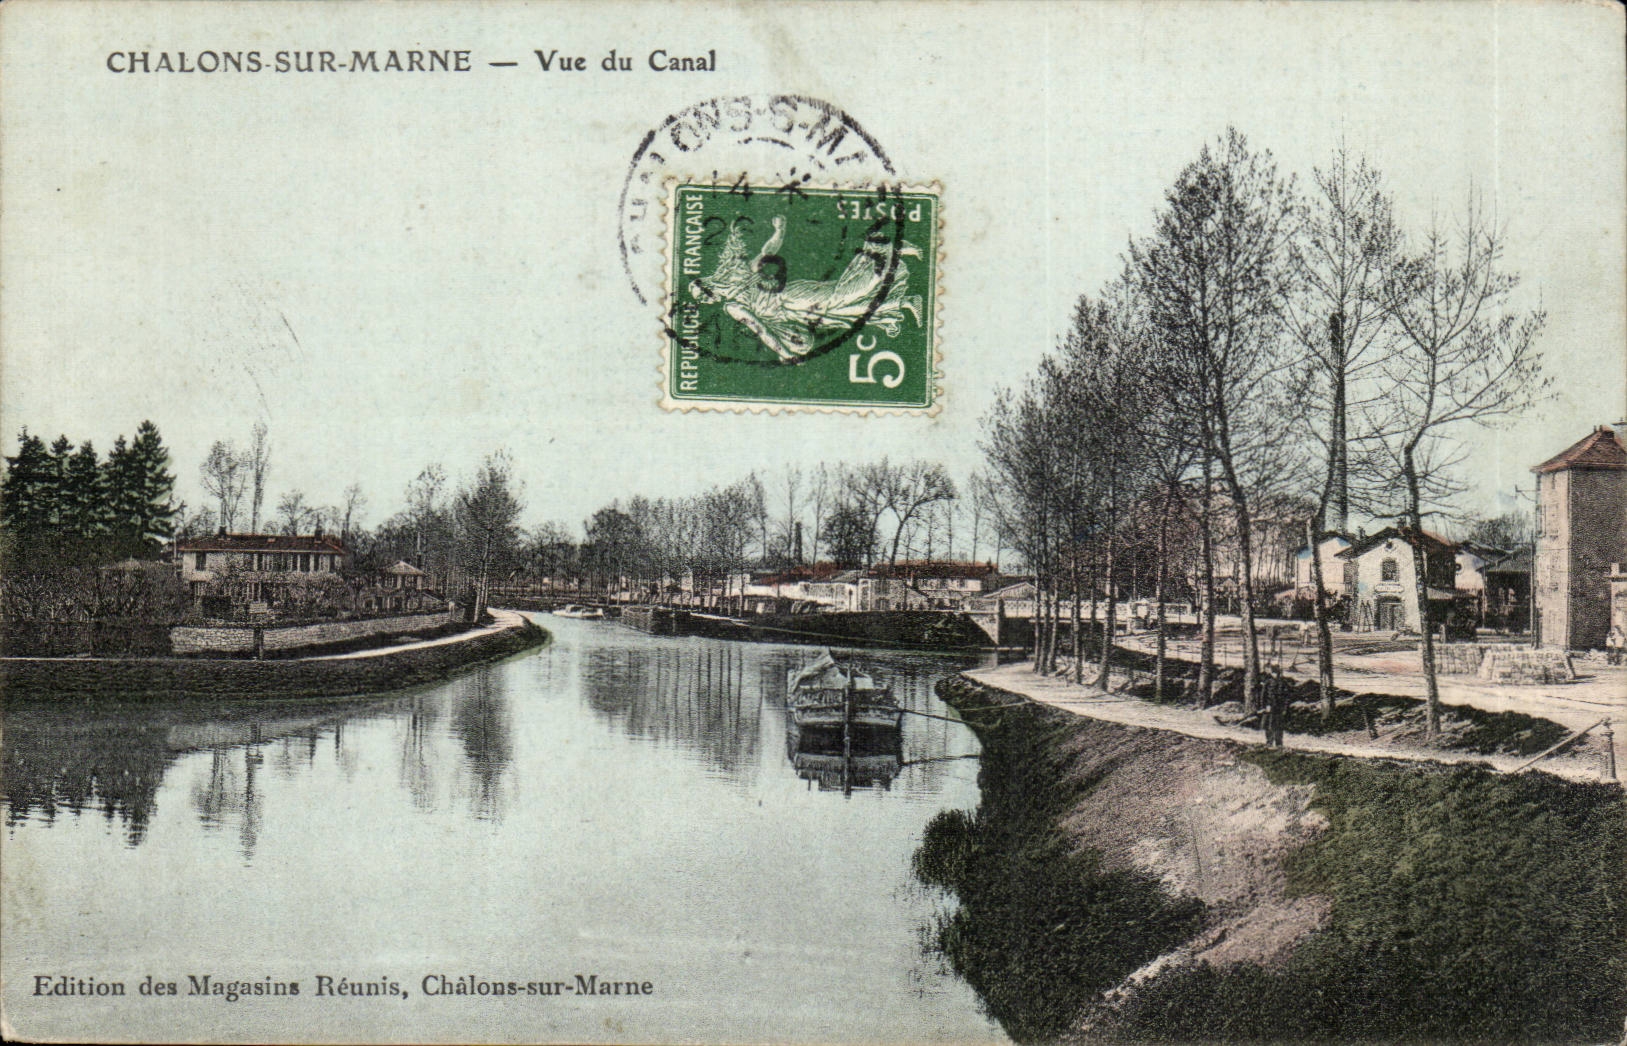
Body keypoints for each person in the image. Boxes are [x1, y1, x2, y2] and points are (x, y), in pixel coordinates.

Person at [689, 216, 923, 361]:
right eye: (704, 301)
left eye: (705, 296)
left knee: (840, 298)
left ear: (709, 286)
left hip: (791, 298)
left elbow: (759, 327)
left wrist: (785, 354)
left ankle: (885, 251)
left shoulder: (733, 302)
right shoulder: (734, 293)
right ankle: (904, 302)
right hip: (794, 314)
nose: (708, 301)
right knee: (847, 311)